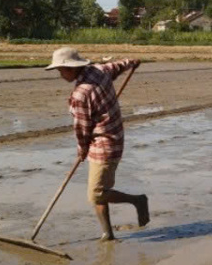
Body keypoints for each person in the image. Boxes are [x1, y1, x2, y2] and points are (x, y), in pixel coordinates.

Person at [46, 47, 149, 241]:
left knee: (96, 193)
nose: (60, 74)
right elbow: (118, 66)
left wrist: (81, 150)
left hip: (105, 142)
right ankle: (107, 233)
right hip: (113, 135)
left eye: (61, 70)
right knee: (100, 188)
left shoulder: (80, 95)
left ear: (71, 68)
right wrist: (131, 62)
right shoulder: (99, 70)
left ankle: (137, 200)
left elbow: (82, 129)